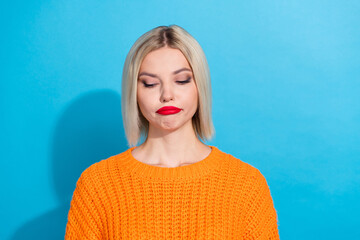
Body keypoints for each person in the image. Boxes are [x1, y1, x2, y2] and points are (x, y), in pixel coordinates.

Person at [65, 25, 280, 239]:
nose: (167, 94)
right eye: (150, 84)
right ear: (134, 93)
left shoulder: (246, 185)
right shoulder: (98, 185)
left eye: (182, 80)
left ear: (200, 86)